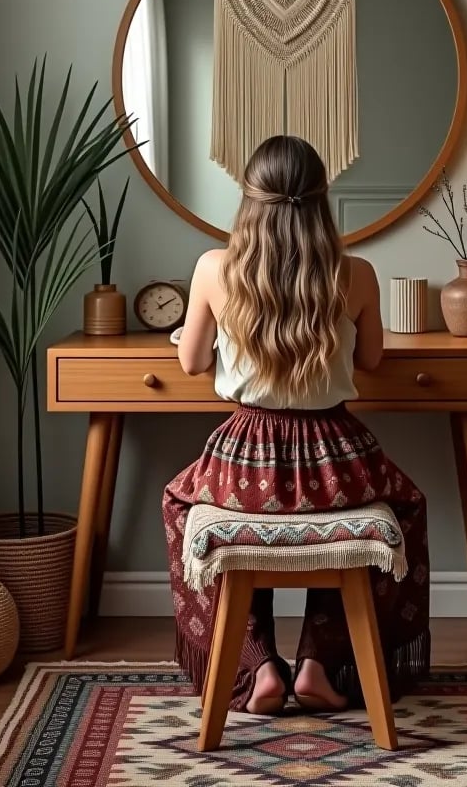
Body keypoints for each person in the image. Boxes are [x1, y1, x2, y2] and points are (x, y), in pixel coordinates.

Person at [163, 135, 429, 715]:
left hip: (244, 455)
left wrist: (204, 336)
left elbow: (192, 362)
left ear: (248, 198)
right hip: (337, 457)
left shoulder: (214, 269)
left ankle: (256, 665)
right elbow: (372, 359)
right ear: (321, 198)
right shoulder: (356, 273)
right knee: (403, 507)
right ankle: (319, 664)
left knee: (184, 505)